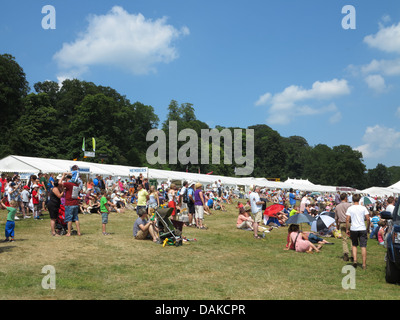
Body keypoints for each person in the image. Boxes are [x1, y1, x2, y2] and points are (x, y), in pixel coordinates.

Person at [346, 193, 370, 270]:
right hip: (362, 228)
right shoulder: (363, 208)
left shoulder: (350, 208)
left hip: (354, 228)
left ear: (352, 200)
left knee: (354, 245)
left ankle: (355, 260)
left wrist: (347, 229)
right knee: (363, 246)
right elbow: (368, 218)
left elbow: (347, 219)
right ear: (359, 200)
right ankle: (363, 264)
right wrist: (368, 228)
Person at [60, 172, 81, 237]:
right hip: (75, 203)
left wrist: (63, 175)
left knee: (69, 219)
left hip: (69, 204)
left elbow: (60, 183)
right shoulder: (76, 184)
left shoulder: (69, 184)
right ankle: (79, 232)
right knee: (76, 218)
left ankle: (69, 232)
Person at [334, 192, 352, 262]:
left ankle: (345, 253)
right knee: (352, 239)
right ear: (345, 198)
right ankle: (353, 254)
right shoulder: (350, 205)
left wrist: (337, 226)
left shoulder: (337, 206)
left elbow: (336, 218)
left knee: (344, 239)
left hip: (341, 223)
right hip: (350, 223)